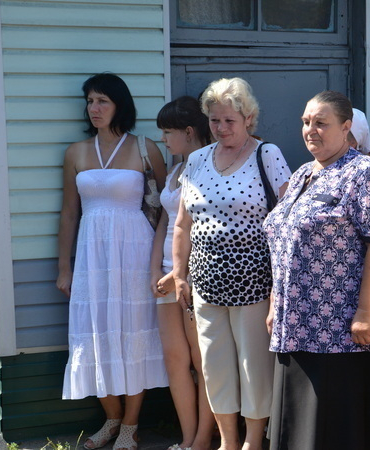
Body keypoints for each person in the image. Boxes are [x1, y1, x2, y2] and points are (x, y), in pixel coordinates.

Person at [263, 90, 370, 450]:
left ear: (346, 126)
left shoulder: (363, 172)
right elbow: (283, 242)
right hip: (295, 326)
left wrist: (367, 313)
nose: (311, 129)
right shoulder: (303, 173)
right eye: (306, 122)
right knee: (298, 425)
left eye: (321, 123)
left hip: (340, 333)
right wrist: (276, 303)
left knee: (336, 430)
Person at [172, 77, 290, 450]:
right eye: (214, 120)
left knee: (254, 366)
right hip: (206, 283)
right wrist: (179, 274)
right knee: (214, 366)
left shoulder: (267, 155)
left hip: (254, 282)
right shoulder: (196, 160)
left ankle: (253, 441)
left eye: (229, 121)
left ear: (248, 118)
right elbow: (182, 224)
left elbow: (288, 221)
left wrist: (281, 284)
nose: (221, 128)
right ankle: (227, 440)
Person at [57, 73, 168, 450]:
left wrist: (162, 263)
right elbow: (69, 213)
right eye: (90, 101)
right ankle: (111, 419)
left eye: (102, 100)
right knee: (95, 333)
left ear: (120, 104)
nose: (94, 108)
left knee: (133, 333)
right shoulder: (75, 152)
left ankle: (130, 427)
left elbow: (167, 207)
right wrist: (64, 267)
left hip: (136, 254)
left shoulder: (144, 148)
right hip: (92, 256)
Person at [150, 96, 216, 450]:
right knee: (175, 359)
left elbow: (204, 228)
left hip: (194, 276)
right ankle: (187, 437)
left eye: (168, 131)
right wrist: (154, 269)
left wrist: (178, 272)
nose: (163, 139)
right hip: (165, 276)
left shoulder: (209, 167)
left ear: (189, 132)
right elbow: (165, 222)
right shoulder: (176, 171)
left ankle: (203, 438)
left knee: (201, 360)